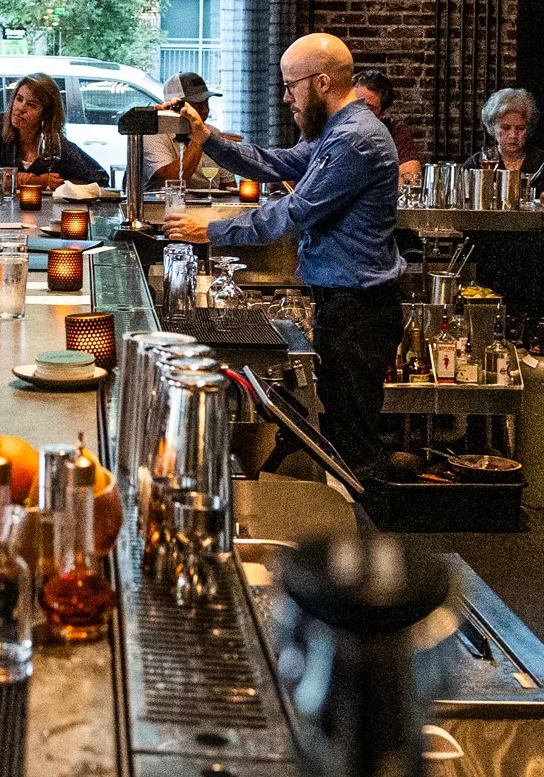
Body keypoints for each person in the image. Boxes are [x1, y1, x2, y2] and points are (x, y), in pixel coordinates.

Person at [163, 34, 403, 485]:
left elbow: (294, 212)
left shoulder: (355, 140)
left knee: (355, 443)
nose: (286, 97)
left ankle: (368, 544)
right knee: (346, 431)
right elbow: (274, 163)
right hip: (345, 305)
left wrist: (211, 230)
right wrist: (205, 136)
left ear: (323, 83)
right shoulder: (336, 131)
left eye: (292, 85)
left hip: (359, 310)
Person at [0, 72, 107, 188]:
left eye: (31, 105)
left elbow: (100, 178)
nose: (20, 108)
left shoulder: (54, 144)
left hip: (44, 212)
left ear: (45, 114)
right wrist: (38, 181)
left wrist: (62, 184)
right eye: (19, 99)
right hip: (3, 211)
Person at [144, 71, 224, 189]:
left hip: (209, 206)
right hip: (161, 205)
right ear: (173, 106)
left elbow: (229, 188)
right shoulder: (153, 132)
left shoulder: (213, 132)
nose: (205, 110)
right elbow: (170, 181)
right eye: (196, 106)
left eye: (206, 103)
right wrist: (201, 139)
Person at [352, 68, 422, 188]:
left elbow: (410, 178)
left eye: (369, 109)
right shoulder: (333, 128)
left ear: (383, 112)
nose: (359, 113)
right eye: (354, 105)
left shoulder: (395, 130)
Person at [461, 87, 544, 178]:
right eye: (506, 128)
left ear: (528, 129)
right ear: (493, 128)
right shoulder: (475, 164)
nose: (513, 135)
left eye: (520, 128)